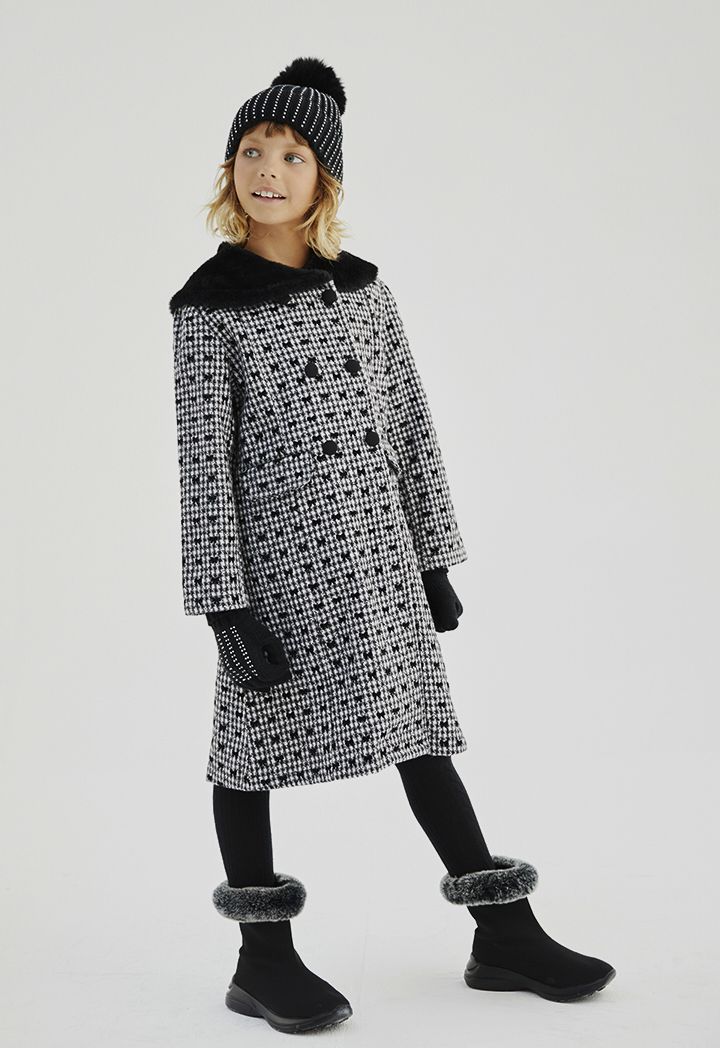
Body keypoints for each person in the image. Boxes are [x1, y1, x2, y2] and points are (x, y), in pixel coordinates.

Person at [168, 56, 615, 1035]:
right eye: (253, 151)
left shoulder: (366, 294)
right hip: (278, 576)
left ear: (323, 179)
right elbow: (204, 468)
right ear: (230, 168)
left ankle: (502, 931)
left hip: (377, 561)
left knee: (421, 733)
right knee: (247, 750)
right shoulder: (207, 308)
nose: (269, 170)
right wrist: (223, 604)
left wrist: (432, 559)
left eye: (293, 155)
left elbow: (411, 427)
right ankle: (261, 957)